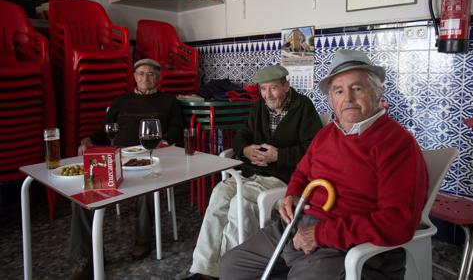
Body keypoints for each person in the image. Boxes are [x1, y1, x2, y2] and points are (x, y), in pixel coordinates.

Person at [220, 50, 429, 280]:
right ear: (331, 99)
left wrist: (321, 234)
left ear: (378, 92)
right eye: (338, 91)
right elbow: (301, 171)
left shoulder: (397, 144)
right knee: (232, 266)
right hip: (297, 226)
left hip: (345, 246)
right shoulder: (328, 133)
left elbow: (398, 223)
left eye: (357, 88)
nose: (347, 98)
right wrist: (292, 193)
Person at [184, 65, 322, 280]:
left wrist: (280, 156)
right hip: (250, 172)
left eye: (274, 88)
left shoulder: (303, 107)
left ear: (286, 85)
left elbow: (314, 151)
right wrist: (246, 150)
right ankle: (204, 268)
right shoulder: (259, 106)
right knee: (219, 194)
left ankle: (228, 270)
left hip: (281, 177)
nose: (268, 94)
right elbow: (242, 136)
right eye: (263, 89)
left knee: (242, 202)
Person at [70, 58, 183, 280]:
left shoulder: (169, 101)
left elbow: (177, 129)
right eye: (140, 73)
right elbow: (105, 130)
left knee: (147, 186)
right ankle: (88, 259)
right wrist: (88, 140)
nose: (145, 78)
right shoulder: (121, 101)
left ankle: (143, 240)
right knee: (83, 195)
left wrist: (164, 142)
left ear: (159, 77)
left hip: (150, 155)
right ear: (134, 76)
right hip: (117, 156)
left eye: (150, 74)